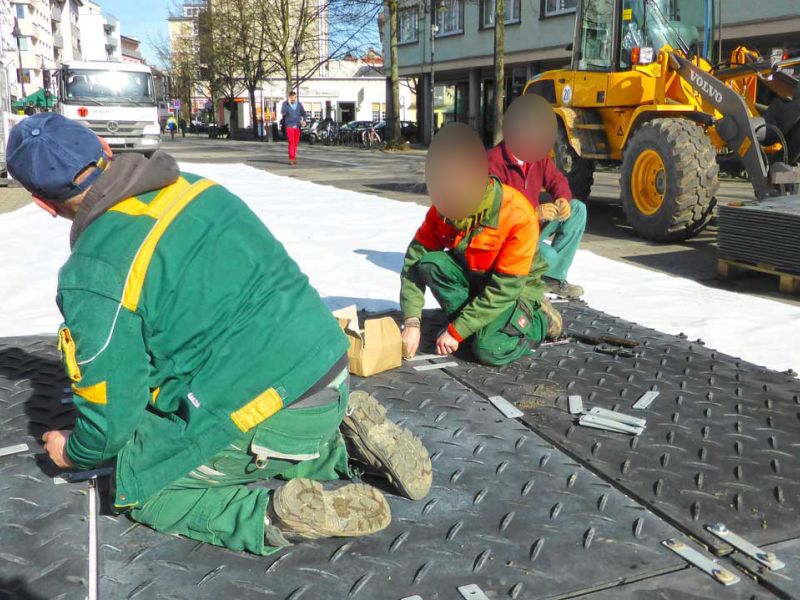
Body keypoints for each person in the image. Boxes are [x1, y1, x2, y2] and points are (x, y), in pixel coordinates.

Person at [7, 113, 432, 556]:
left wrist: (73, 451)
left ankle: (272, 515)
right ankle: (340, 441)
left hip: (276, 409)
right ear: (105, 147)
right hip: (328, 364)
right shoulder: (196, 189)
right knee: (249, 408)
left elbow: (111, 420)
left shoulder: (95, 272)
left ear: (43, 203)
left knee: (142, 485)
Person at [400, 123, 562, 367]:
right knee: (430, 264)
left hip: (514, 291)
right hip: (478, 281)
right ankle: (473, 326)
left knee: (487, 349)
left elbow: (503, 291)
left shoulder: (517, 215)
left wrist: (456, 332)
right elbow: (414, 260)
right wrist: (412, 321)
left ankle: (538, 321)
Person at [487, 94, 587, 299]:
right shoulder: (493, 162)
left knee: (578, 209)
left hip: (533, 227)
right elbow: (491, 212)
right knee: (548, 256)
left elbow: (557, 181)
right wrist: (533, 213)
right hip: (508, 237)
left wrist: (562, 199)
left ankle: (553, 279)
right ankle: (533, 278)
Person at [281, 91, 306, 165]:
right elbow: (283, 112)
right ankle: (291, 158)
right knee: (291, 141)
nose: (293, 99)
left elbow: (304, 113)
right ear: (289, 98)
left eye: (294, 98)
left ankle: (294, 157)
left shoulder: (299, 105)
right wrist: (287, 104)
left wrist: (304, 121)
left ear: (296, 97)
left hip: (297, 125)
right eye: (291, 98)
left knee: (296, 142)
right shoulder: (285, 104)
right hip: (289, 125)